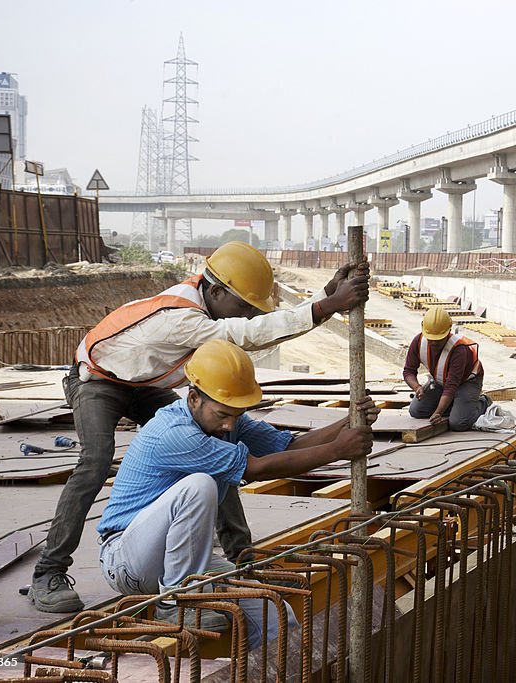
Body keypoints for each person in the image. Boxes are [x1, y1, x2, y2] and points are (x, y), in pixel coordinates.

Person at [29, 241, 369, 613]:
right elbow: (249, 334)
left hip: (142, 385)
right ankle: (49, 571)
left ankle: (241, 555)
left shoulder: (204, 300)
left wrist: (325, 297)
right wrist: (325, 307)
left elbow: (255, 328)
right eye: (242, 306)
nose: (247, 314)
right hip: (98, 380)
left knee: (217, 443)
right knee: (95, 461)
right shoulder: (183, 316)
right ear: (217, 291)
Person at [95, 339, 377, 643]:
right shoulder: (174, 433)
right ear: (193, 399)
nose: (230, 424)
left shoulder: (227, 420)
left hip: (179, 561)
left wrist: (347, 422)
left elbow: (288, 447)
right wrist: (337, 451)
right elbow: (257, 468)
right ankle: (175, 603)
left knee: (274, 612)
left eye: (237, 413)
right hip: (126, 559)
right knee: (199, 486)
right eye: (222, 414)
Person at [403, 306, 489, 431]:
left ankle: (482, 403)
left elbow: (451, 386)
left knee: (458, 423)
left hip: (467, 382)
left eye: (438, 340)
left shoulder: (459, 350)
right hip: (439, 381)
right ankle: (456, 406)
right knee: (416, 410)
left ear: (448, 331)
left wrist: (438, 412)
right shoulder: (418, 341)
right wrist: (417, 387)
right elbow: (408, 371)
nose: (434, 343)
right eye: (431, 339)